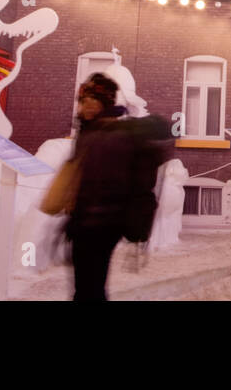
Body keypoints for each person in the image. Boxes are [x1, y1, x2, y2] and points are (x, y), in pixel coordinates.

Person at [65, 73, 170, 301]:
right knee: (89, 287)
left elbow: (108, 181)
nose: (88, 105)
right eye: (84, 100)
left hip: (99, 223)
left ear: (106, 103)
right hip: (90, 222)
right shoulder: (89, 131)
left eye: (95, 100)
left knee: (88, 288)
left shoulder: (109, 135)